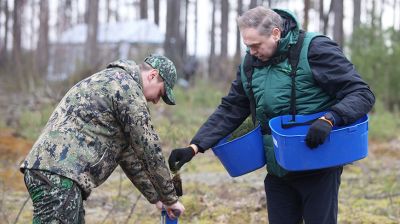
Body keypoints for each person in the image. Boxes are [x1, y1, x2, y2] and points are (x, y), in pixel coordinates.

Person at [168, 7, 375, 224]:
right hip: (278, 168)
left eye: (256, 45)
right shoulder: (250, 64)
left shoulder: (315, 49)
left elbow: (361, 93)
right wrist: (196, 146)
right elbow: (231, 108)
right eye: (247, 46)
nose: (252, 51)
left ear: (276, 33)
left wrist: (330, 119)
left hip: (318, 164)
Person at [20, 55, 185, 223]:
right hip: (59, 175)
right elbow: (149, 148)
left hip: (57, 172)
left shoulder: (112, 81)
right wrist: (171, 199)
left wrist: (157, 198)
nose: (156, 101)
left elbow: (128, 156)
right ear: (152, 75)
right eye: (161, 93)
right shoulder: (127, 88)